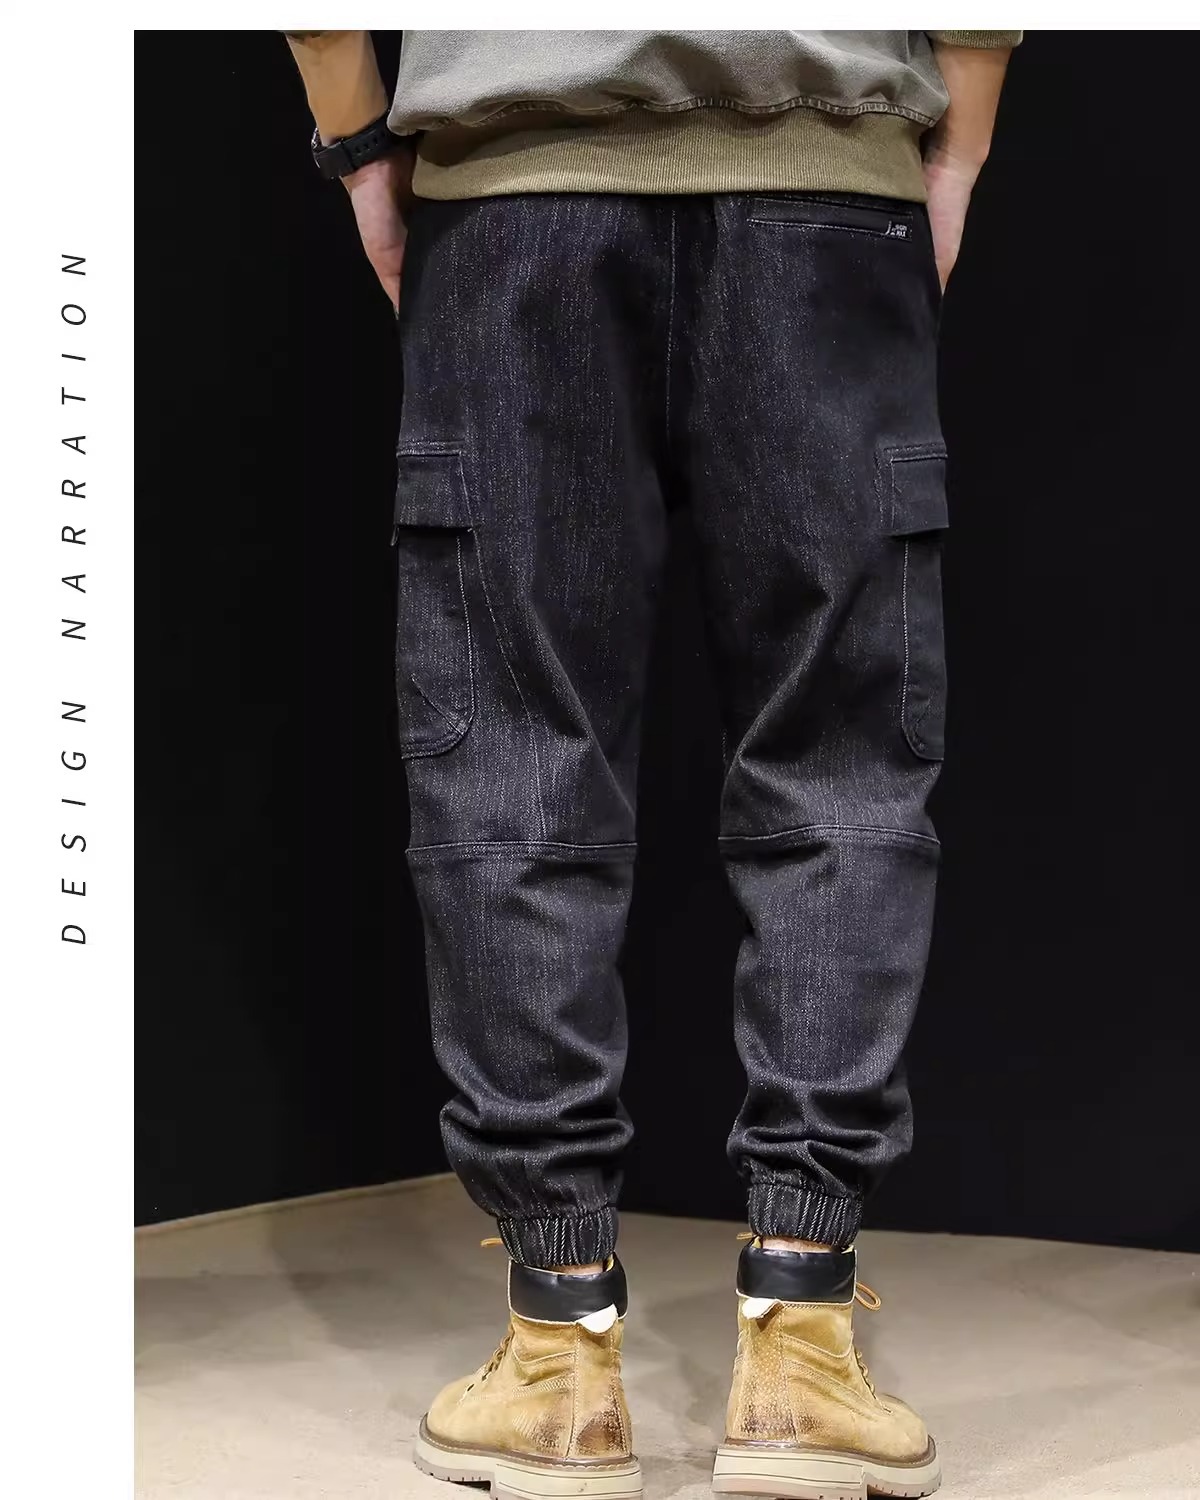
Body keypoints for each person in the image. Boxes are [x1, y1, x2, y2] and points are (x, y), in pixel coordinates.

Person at [285, 29, 1018, 1500]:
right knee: (839, 754)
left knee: (513, 747)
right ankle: (802, 1343)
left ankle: (557, 1354)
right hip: (828, 182)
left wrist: (361, 148)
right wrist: (958, 146)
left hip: (515, 195)